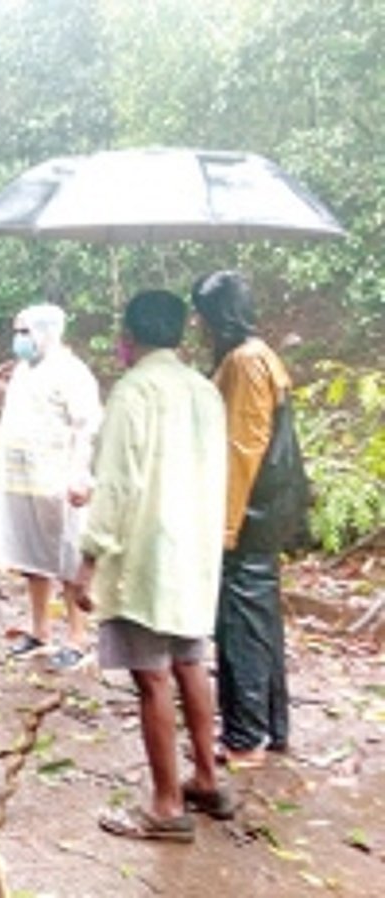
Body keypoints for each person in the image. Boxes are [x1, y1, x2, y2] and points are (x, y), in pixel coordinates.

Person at [76, 289, 231, 842]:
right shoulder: (204, 390)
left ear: (128, 337)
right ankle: (208, 779)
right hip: (195, 551)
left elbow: (117, 482)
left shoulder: (133, 390)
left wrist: (89, 559)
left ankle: (167, 806)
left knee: (152, 678)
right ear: (181, 335)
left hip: (147, 553)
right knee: (191, 663)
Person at [191, 270, 293, 767]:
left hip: (250, 512)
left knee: (242, 623)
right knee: (258, 619)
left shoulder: (247, 360)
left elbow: (243, 446)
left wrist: (225, 526)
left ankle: (245, 735)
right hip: (260, 510)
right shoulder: (254, 355)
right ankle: (268, 728)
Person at [0, 304, 101, 670]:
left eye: (25, 332)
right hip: (23, 481)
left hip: (59, 482)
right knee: (33, 559)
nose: (19, 340)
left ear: (46, 332)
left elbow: (88, 426)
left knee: (67, 557)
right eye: (17, 332)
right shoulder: (23, 371)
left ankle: (78, 638)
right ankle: (40, 630)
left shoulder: (71, 372)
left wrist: (80, 473)